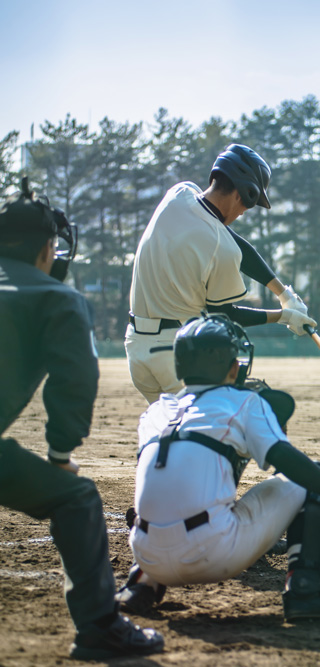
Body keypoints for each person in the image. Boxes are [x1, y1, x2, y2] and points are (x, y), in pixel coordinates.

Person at [0, 179, 164, 660]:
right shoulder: (55, 297)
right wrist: (59, 454)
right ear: (49, 249)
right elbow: (74, 378)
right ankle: (99, 628)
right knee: (76, 498)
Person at [116, 313, 320, 622]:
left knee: (172, 489)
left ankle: (140, 585)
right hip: (211, 553)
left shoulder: (156, 411)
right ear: (234, 366)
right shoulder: (244, 402)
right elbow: (289, 462)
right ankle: (307, 590)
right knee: (316, 477)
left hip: (148, 554)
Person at [126, 144, 316, 403]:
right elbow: (225, 314)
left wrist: (284, 293)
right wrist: (285, 316)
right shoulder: (221, 247)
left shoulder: (179, 194)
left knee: (166, 431)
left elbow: (236, 244)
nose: (242, 213)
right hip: (175, 352)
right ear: (243, 195)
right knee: (231, 424)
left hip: (136, 348)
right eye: (249, 204)